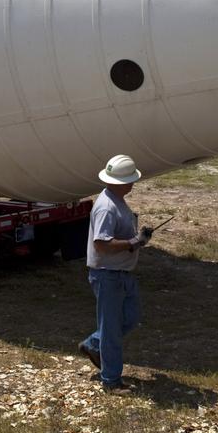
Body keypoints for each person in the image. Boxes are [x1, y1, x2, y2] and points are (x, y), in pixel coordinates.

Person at [78, 154, 154, 394]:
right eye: (130, 180)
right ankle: (111, 380)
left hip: (121, 273)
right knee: (112, 329)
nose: (133, 184)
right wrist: (134, 241)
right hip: (108, 275)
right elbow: (102, 244)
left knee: (129, 318)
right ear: (122, 182)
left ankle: (93, 344)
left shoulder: (116, 199)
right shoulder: (107, 207)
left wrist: (138, 242)